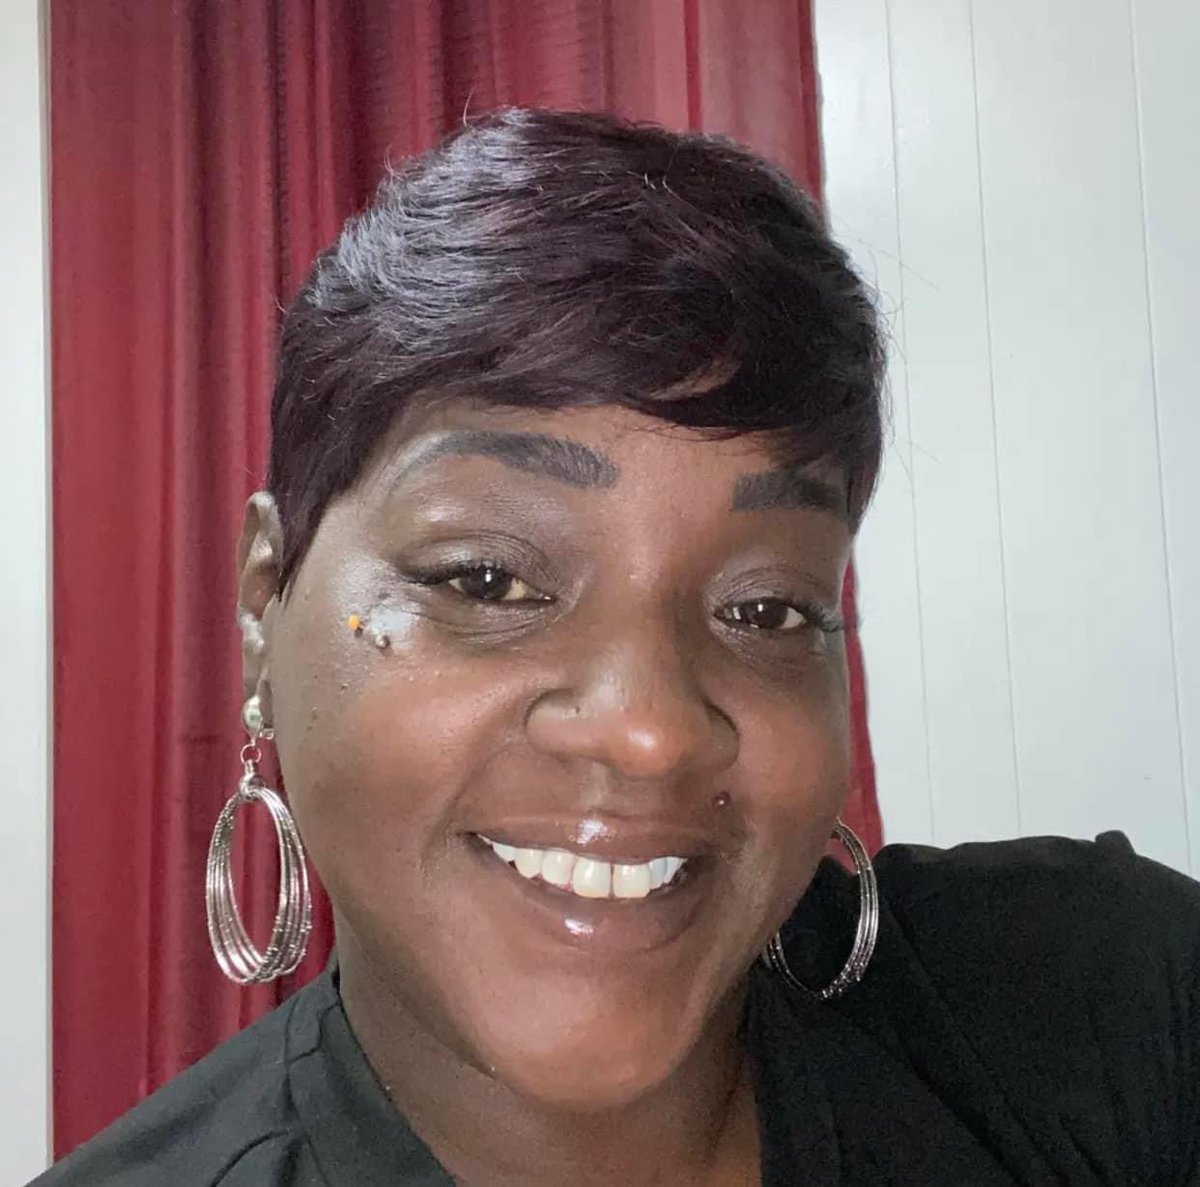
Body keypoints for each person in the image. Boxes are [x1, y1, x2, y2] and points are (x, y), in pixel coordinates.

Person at [35, 109, 1199, 1187]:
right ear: (262, 610)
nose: (650, 731)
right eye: (486, 579)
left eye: (767, 609)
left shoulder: (1101, 1007)